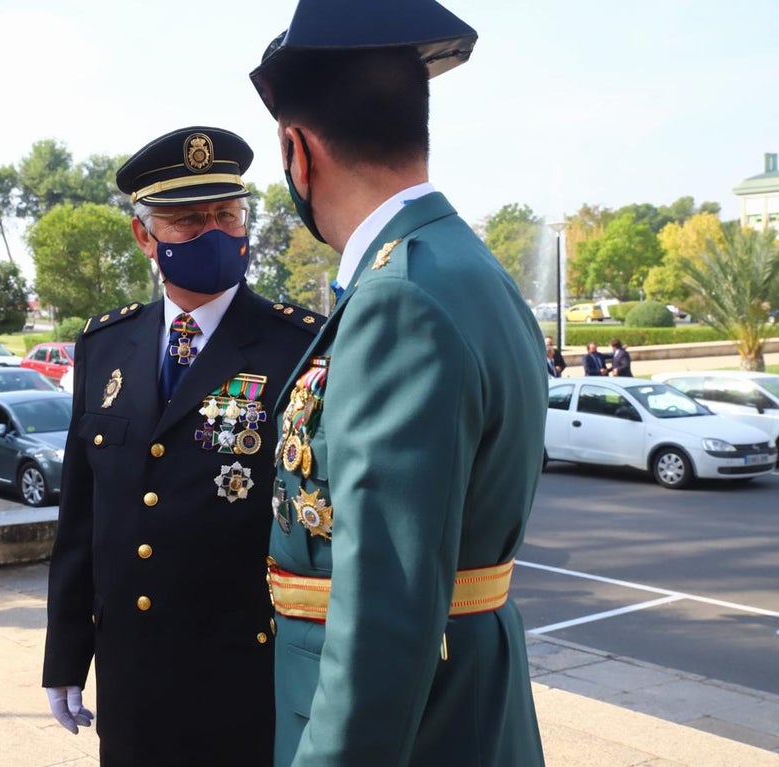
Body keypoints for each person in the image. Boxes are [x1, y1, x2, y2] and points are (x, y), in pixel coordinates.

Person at [249, 2, 547, 764]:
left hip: (420, 731)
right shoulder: (467, 269)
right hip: (466, 703)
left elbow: (383, 615)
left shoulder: (397, 299)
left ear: (297, 151)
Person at [42, 126, 324, 767]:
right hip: (133, 676)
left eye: (226, 215)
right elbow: (83, 518)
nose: (214, 233)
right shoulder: (107, 345)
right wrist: (65, 654)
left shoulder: (296, 345)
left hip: (247, 673)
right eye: (187, 221)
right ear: (144, 235)